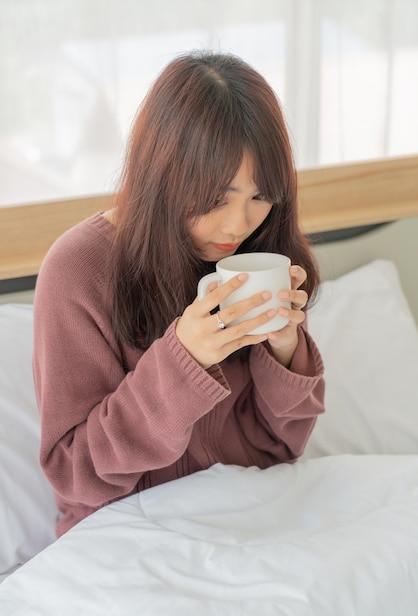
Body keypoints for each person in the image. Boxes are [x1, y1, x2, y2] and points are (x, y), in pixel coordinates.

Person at [33, 51, 325, 537]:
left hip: (250, 518)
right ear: (161, 174)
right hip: (124, 533)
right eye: (215, 198)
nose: (238, 224)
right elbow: (75, 473)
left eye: (260, 195)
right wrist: (182, 361)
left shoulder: (259, 254)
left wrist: (285, 350)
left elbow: (282, 449)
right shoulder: (78, 269)